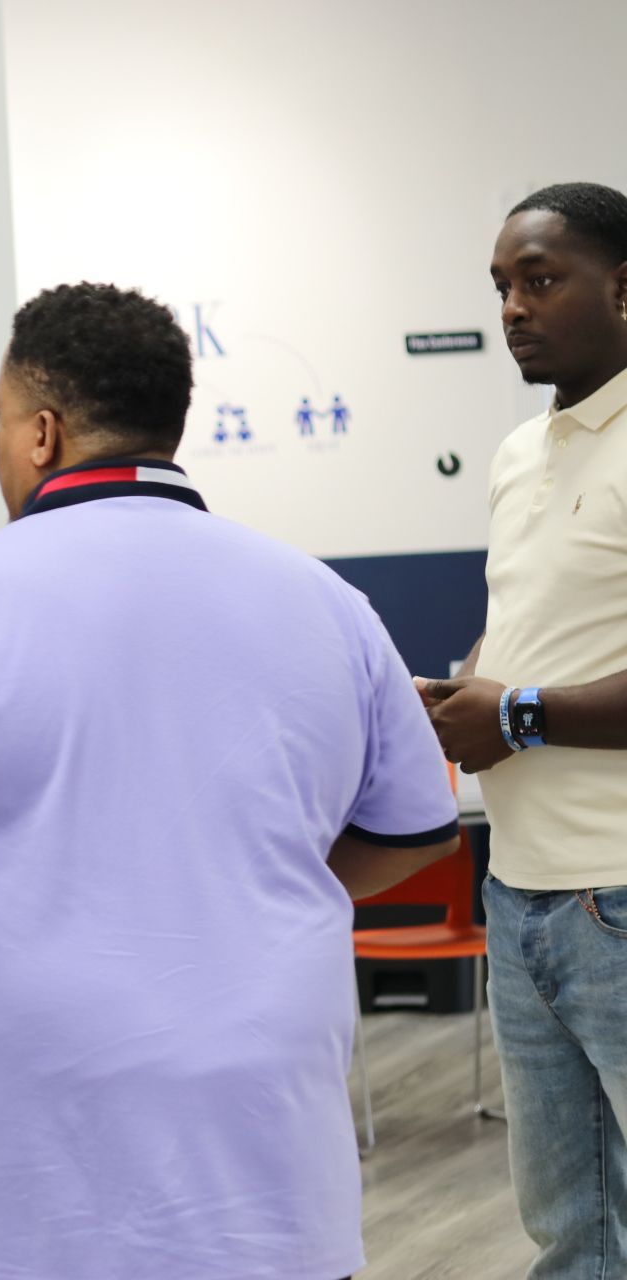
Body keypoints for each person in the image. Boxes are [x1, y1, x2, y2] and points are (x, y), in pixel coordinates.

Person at [0, 283, 461, 1280]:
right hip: (267, 1172)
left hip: (29, 1175)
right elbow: (419, 830)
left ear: (43, 433)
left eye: (2, 421)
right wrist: (251, 888)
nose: (1, 444)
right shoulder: (326, 601)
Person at [418, 181, 627, 1279]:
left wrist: (520, 714)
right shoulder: (514, 455)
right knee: (568, 1232)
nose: (513, 307)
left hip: (619, 892)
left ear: (625, 286)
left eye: (540, 279)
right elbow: (541, 649)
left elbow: (536, 700)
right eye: (502, 285)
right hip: (523, 892)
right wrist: (460, 701)